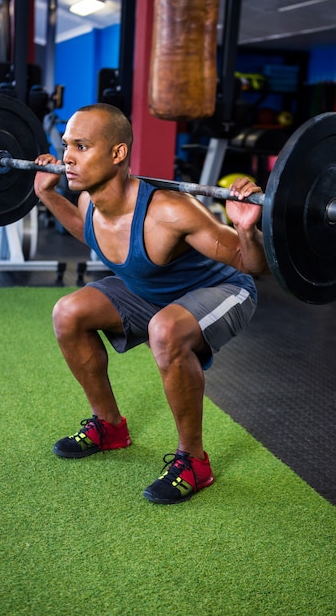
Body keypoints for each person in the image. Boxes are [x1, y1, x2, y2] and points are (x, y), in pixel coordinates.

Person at [34, 102, 268, 505]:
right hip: (151, 291)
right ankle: (109, 427)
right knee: (68, 312)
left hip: (226, 289)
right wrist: (47, 195)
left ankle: (193, 461)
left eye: (82, 146)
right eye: (67, 144)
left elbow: (251, 264)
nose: (67, 157)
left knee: (166, 330)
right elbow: (91, 233)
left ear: (118, 153)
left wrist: (246, 227)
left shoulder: (170, 210)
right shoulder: (90, 199)